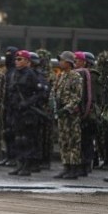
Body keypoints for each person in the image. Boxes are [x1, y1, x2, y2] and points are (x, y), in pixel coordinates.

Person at [7, 50, 45, 176]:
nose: (17, 61)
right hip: (16, 112)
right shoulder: (14, 73)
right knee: (17, 139)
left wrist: (27, 103)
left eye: (20, 59)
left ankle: (27, 166)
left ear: (27, 62)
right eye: (16, 59)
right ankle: (20, 164)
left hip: (28, 113)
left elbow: (40, 93)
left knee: (26, 140)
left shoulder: (31, 74)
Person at [53, 51, 83, 179]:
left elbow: (77, 96)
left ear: (68, 62)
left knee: (73, 141)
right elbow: (54, 92)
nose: (60, 62)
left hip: (71, 115)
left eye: (62, 60)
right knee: (63, 141)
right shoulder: (61, 76)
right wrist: (54, 106)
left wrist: (67, 108)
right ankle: (66, 166)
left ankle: (74, 168)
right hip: (61, 114)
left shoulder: (75, 77)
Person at [36, 48, 57, 170]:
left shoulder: (51, 75)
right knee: (39, 135)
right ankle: (39, 158)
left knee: (47, 136)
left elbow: (53, 94)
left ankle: (46, 159)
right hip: (38, 107)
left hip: (47, 109)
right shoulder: (39, 73)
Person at [0, 46, 19, 167]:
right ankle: (9, 156)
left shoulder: (16, 72)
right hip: (6, 106)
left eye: (10, 55)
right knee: (7, 133)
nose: (8, 58)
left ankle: (14, 157)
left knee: (13, 132)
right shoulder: (8, 71)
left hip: (14, 106)